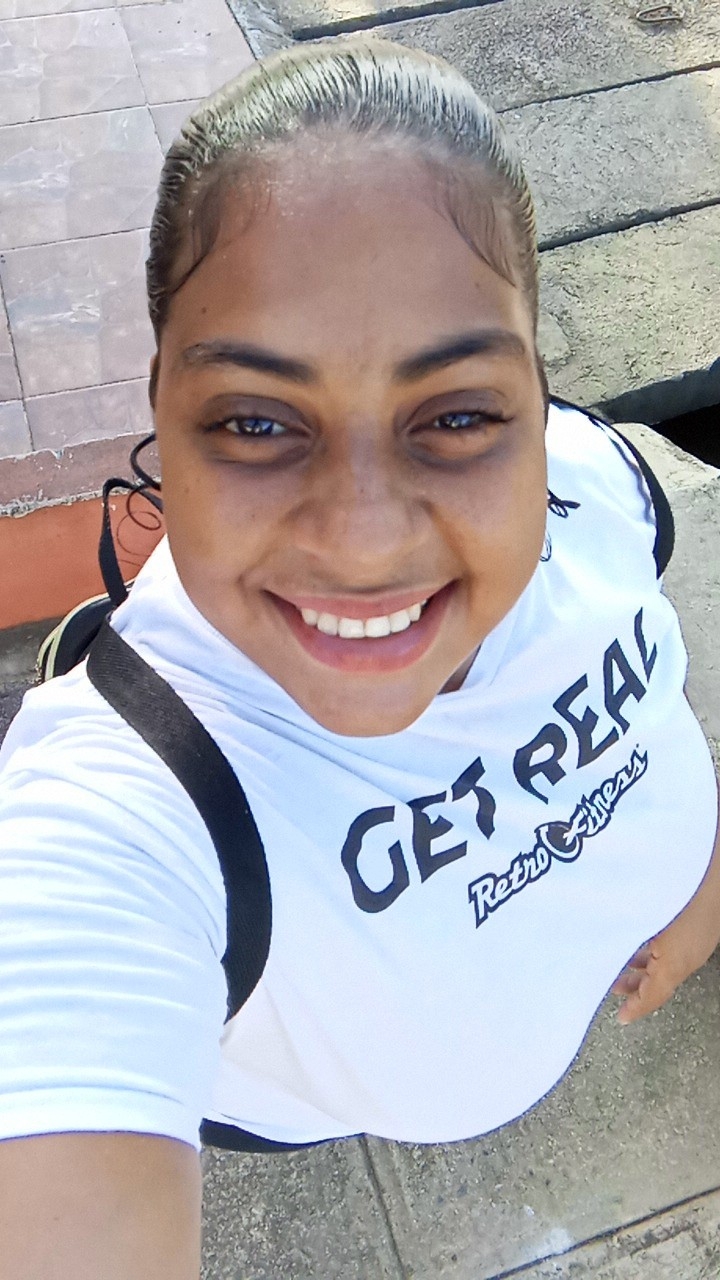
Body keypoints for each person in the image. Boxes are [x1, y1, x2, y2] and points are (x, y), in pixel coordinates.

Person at [0, 37, 718, 1278]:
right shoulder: (110, 822)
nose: (365, 537)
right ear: (161, 412)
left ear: (540, 397)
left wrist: (692, 873)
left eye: (459, 414)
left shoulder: (598, 480)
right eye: (255, 421)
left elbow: (648, 679)